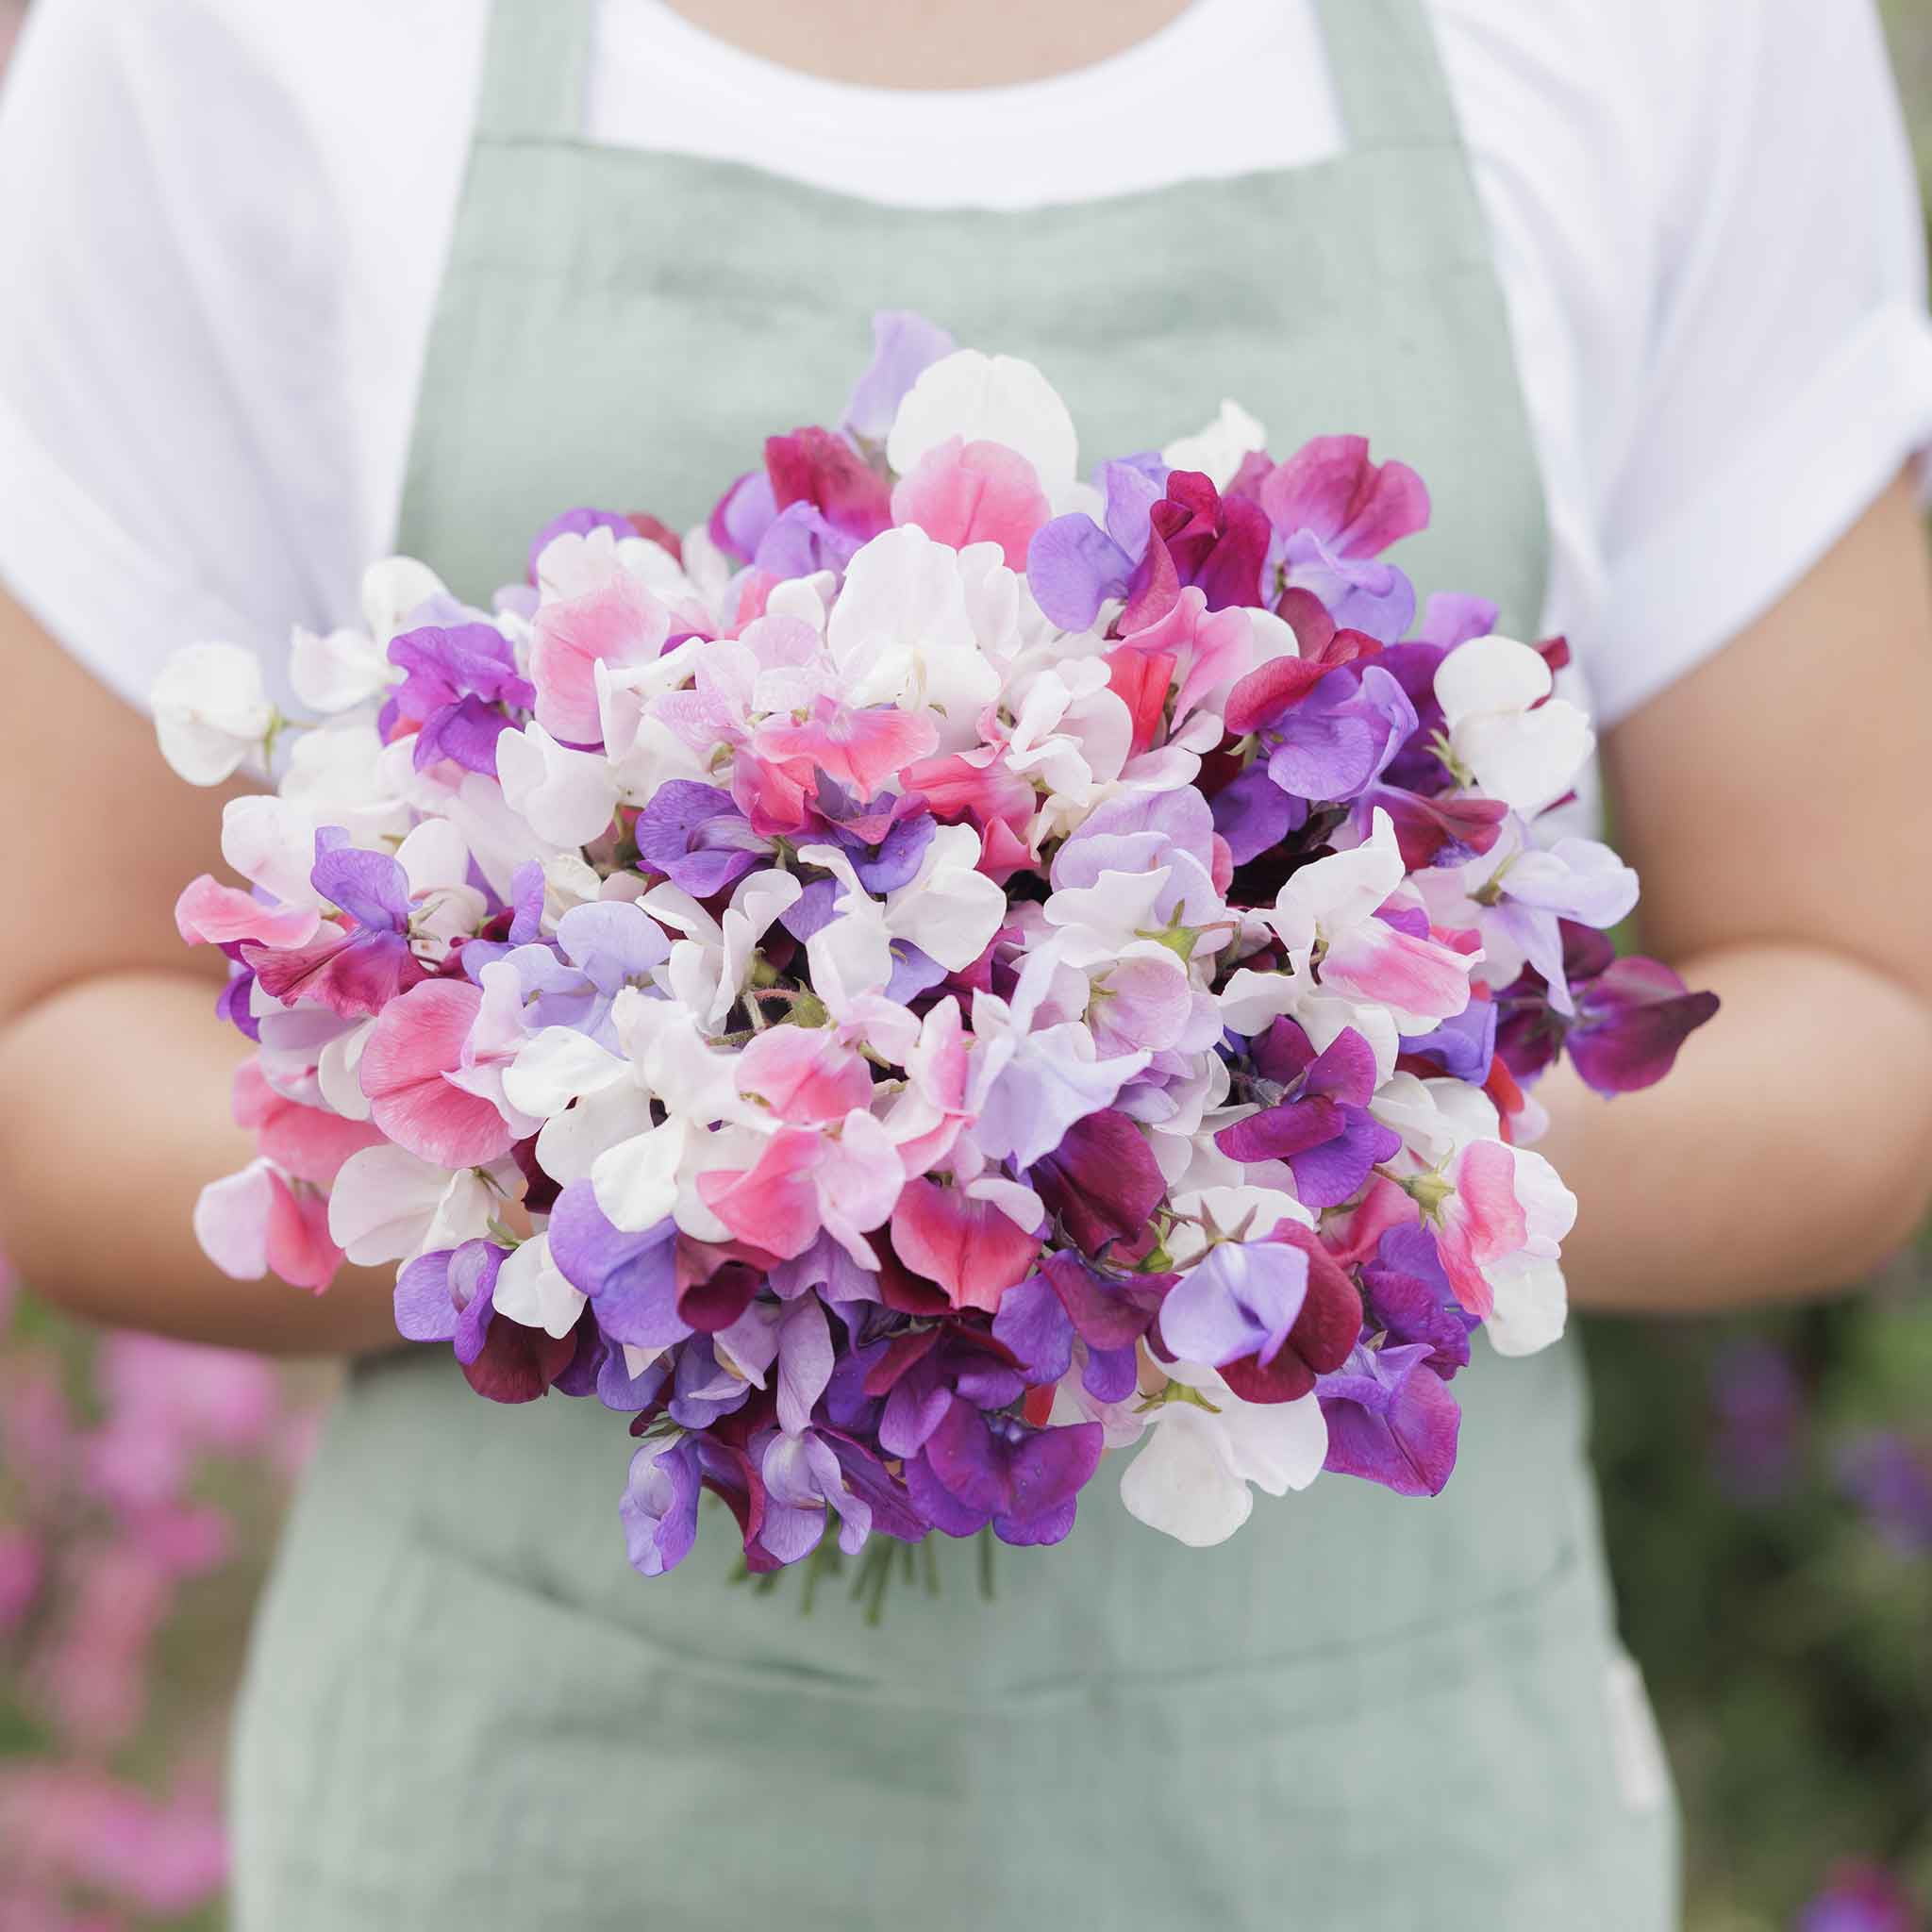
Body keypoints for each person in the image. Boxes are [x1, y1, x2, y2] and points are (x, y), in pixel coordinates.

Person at [3, 0, 1931, 1924]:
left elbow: (1869, 1018)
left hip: (1357, 1833)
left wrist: (1241, 1143)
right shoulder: (216, 39)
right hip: (541, 1830)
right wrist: (660, 1182)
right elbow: (51, 1032)